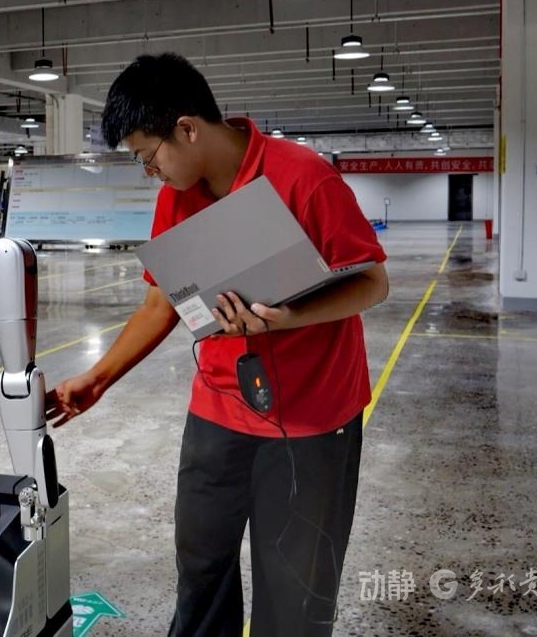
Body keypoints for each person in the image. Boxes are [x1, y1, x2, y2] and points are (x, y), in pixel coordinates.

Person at [46, 53, 389, 637]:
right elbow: (160, 304)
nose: (150, 172)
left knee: (296, 588)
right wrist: (97, 379)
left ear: (187, 128)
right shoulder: (177, 197)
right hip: (219, 411)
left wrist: (286, 318)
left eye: (148, 156)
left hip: (312, 419)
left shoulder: (303, 177)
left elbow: (372, 283)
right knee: (201, 570)